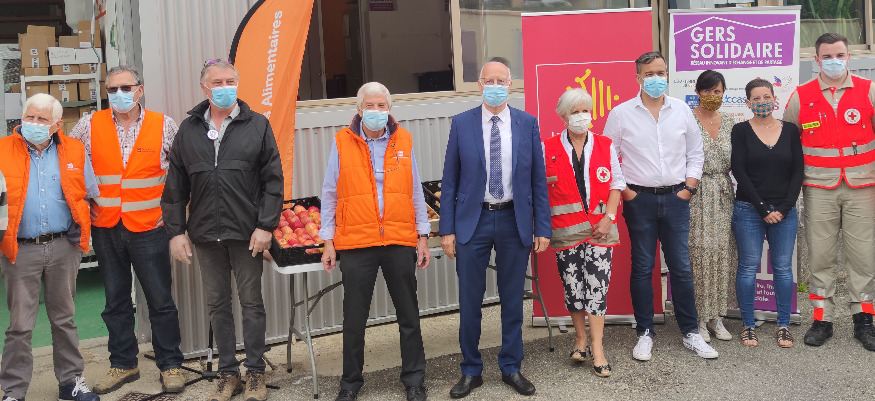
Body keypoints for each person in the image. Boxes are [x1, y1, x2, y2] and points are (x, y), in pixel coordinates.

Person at [161, 59, 284, 401]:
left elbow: (273, 181)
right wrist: (176, 232)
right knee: (217, 304)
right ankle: (228, 373)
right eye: (218, 82)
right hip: (205, 234)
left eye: (230, 81)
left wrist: (265, 226)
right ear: (205, 87)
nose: (225, 87)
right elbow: (175, 187)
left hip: (247, 233)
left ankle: (255, 373)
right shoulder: (189, 129)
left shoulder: (257, 125)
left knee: (251, 303)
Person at [68, 65, 186, 395]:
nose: (119, 94)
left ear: (139, 90)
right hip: (106, 226)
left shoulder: (164, 125)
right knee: (116, 301)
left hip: (150, 227)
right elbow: (69, 164)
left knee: (160, 300)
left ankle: (170, 364)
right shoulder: (88, 125)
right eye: (112, 89)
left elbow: (182, 172)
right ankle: (123, 363)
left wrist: (176, 218)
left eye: (126, 87)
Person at [439, 61, 551, 398]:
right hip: (473, 221)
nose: (495, 86)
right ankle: (470, 370)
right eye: (489, 80)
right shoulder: (462, 123)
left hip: (514, 219)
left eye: (501, 81)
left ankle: (511, 366)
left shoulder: (527, 123)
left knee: (513, 298)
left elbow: (538, 179)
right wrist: (447, 229)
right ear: (479, 84)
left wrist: (542, 227)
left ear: (510, 84)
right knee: (470, 300)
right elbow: (450, 180)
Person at [603, 51, 717, 361]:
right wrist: (626, 191)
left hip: (677, 198)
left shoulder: (681, 110)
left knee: (681, 266)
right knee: (643, 266)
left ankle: (690, 332)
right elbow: (608, 156)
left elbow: (696, 152)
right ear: (638, 78)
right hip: (639, 200)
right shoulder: (621, 114)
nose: (657, 79)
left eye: (661, 73)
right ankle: (644, 332)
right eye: (650, 74)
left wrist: (689, 188)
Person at [320, 82, 430, 401]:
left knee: (408, 315)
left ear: (389, 109)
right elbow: (330, 192)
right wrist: (328, 240)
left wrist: (422, 236)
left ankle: (414, 379)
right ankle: (350, 383)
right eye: (370, 105)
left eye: (382, 105)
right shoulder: (342, 141)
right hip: (357, 241)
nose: (376, 111)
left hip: (398, 238)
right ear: (359, 109)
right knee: (354, 319)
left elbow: (415, 190)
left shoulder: (403, 139)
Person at [0, 94, 100, 401]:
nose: (34, 123)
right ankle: (13, 391)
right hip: (20, 249)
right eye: (29, 117)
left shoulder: (75, 149)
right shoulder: (2, 150)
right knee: (20, 325)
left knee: (64, 319)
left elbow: (88, 194)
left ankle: (71, 382)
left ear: (57, 124)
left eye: (42, 119)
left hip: (63, 247)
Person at [782, 33, 875, 351]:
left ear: (848, 56)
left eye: (839, 55)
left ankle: (864, 319)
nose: (834, 61)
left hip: (862, 186)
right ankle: (823, 320)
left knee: (863, 257)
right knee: (820, 257)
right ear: (816, 60)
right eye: (827, 56)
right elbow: (789, 143)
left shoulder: (868, 90)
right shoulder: (801, 96)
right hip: (818, 188)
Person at [545, 88, 624, 377]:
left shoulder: (605, 144)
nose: (582, 116)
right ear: (564, 117)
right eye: (575, 112)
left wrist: (609, 218)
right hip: (566, 232)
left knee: (597, 290)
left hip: (600, 231)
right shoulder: (547, 148)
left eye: (585, 111)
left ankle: (598, 348)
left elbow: (616, 184)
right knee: (573, 288)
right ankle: (580, 340)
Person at [732, 79, 803, 348]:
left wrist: (783, 209)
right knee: (748, 267)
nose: (762, 102)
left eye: (766, 97)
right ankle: (748, 325)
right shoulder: (741, 130)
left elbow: (798, 171)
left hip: (785, 212)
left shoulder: (790, 130)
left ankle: (783, 325)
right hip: (749, 210)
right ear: (747, 103)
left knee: (783, 268)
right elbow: (739, 170)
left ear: (775, 99)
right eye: (756, 98)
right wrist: (763, 208)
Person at [688, 70, 736, 343]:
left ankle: (717, 317)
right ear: (697, 92)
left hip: (723, 194)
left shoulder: (730, 122)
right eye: (707, 91)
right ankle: (698, 318)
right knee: (699, 255)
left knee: (722, 254)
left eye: (717, 91)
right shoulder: (687, 120)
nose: (712, 95)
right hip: (696, 194)